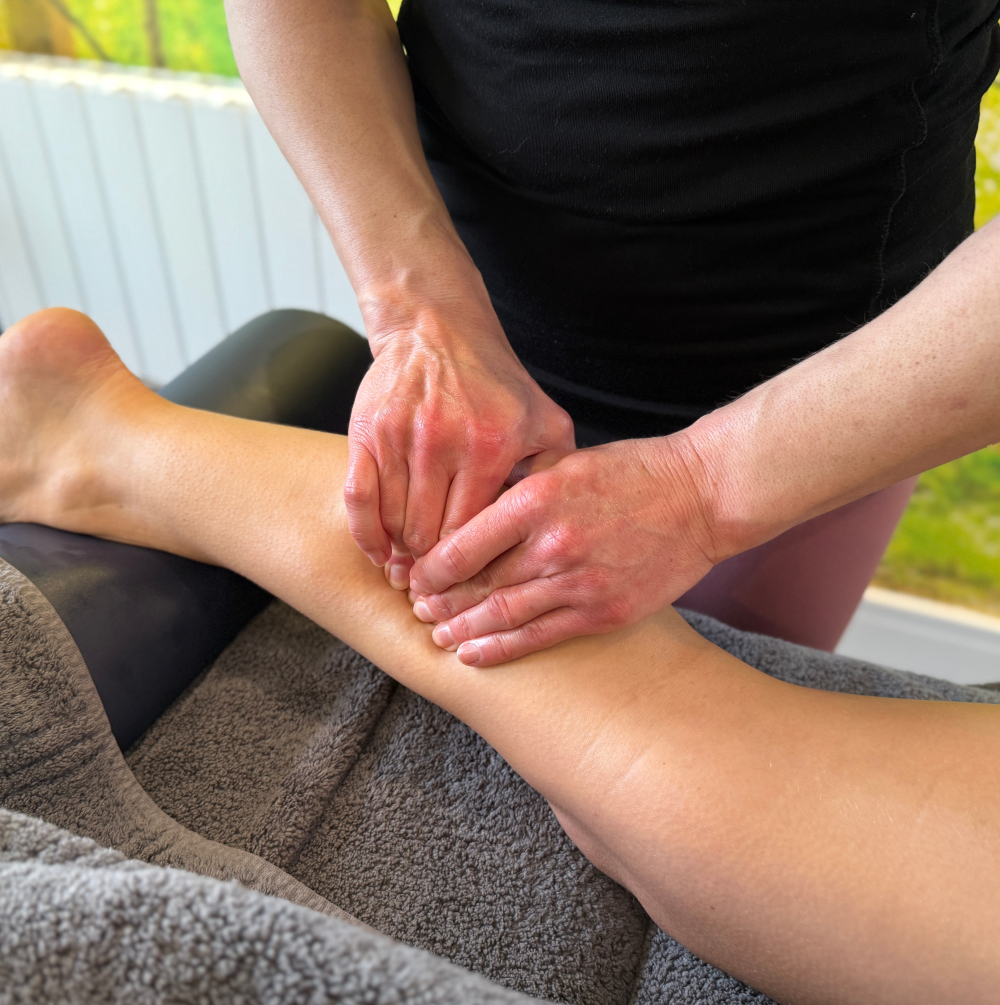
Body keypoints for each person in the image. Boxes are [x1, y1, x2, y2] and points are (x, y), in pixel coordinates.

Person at [1, 306, 998, 1004]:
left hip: (837, 291)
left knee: (651, 791)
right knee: (665, 762)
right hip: (532, 248)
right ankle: (107, 440)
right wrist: (412, 306)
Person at [223, 0, 999, 661]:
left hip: (824, 382)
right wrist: (419, 315)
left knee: (679, 754)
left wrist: (702, 490)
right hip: (467, 298)